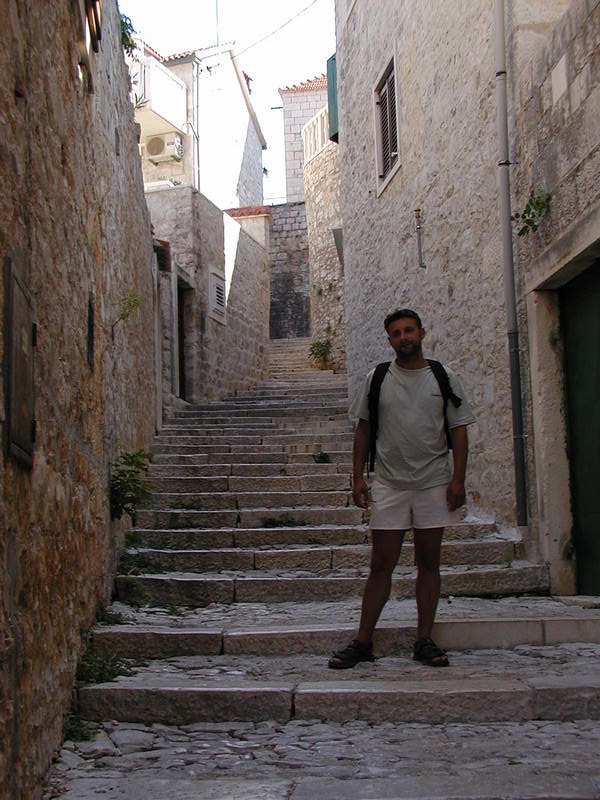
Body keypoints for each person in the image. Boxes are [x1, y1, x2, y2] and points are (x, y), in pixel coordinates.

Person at [328, 308, 475, 669]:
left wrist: (458, 479)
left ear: (422, 333)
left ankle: (424, 641)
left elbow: (458, 430)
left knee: (429, 561)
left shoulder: (443, 377)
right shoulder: (377, 378)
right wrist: (357, 477)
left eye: (409, 330)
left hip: (433, 482)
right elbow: (363, 429)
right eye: (396, 333)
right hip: (390, 483)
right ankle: (363, 642)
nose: (404, 337)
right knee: (381, 563)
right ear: (390, 340)